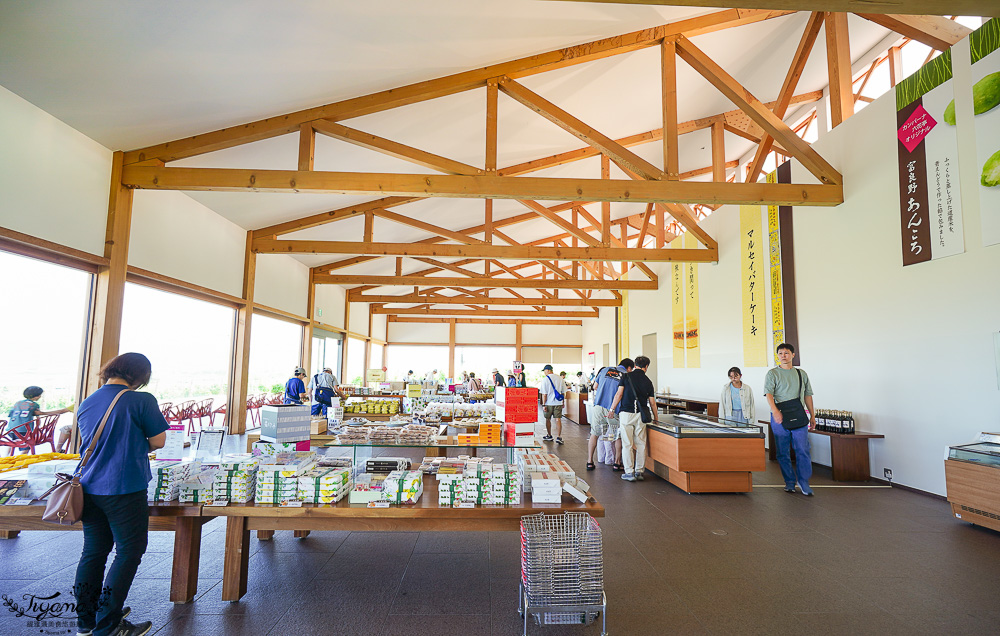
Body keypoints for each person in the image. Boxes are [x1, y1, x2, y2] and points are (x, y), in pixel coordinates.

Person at [73, 352, 168, 636]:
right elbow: (159, 441)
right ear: (140, 376)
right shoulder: (141, 400)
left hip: (88, 486)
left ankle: (86, 622)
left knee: (93, 552)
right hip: (123, 487)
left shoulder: (89, 401)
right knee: (129, 551)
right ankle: (109, 623)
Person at [764, 343, 816, 496]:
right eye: (780, 353)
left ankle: (804, 481)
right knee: (782, 451)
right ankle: (789, 482)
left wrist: (812, 415)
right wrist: (775, 412)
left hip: (799, 416)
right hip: (779, 416)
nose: (783, 355)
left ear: (793, 355)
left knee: (803, 449)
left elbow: (808, 395)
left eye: (786, 353)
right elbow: (769, 394)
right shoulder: (772, 374)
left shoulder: (801, 374)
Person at [609, 355, 657, 482]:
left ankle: (629, 472)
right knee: (641, 443)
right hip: (641, 416)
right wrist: (656, 417)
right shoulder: (648, 381)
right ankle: (639, 471)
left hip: (626, 414)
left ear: (635, 365)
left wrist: (612, 409)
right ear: (646, 367)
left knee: (627, 444)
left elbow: (619, 394)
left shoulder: (626, 376)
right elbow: (652, 403)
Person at [586, 359, 633, 472]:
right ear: (629, 368)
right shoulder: (626, 375)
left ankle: (590, 461)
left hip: (598, 407)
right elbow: (621, 393)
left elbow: (595, 387)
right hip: (614, 409)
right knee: (617, 435)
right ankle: (616, 463)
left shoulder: (605, 370)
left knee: (594, 434)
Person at [5, 386, 72, 453]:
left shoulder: (17, 403)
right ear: (36, 396)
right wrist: (38, 428)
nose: (40, 397)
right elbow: (38, 419)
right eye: (40, 395)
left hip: (10, 429)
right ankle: (23, 457)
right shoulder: (34, 405)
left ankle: (6, 456)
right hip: (24, 430)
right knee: (26, 445)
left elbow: (10, 415)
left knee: (12, 442)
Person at [538, 364, 567, 444]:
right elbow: (563, 392)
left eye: (544, 371)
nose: (544, 373)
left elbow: (544, 394)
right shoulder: (560, 378)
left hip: (548, 403)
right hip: (558, 402)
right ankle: (559, 437)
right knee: (558, 419)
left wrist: (544, 405)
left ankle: (549, 435)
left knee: (548, 419)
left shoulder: (545, 379)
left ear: (548, 370)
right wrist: (563, 402)